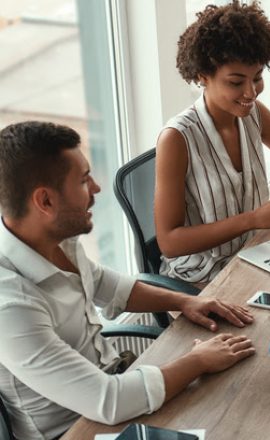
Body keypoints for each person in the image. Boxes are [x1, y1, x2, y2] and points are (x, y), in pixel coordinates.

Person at [0, 121, 256, 440]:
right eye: (83, 181)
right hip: (76, 428)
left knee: (245, 405)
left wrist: (186, 301)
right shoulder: (10, 307)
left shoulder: (55, 239)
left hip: (115, 386)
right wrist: (198, 361)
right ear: (45, 202)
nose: (95, 188)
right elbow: (109, 401)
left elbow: (111, 286)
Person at [156, 1, 270, 283]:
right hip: (202, 278)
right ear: (203, 76)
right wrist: (253, 219)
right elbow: (169, 242)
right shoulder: (177, 138)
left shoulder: (254, 115)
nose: (251, 93)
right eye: (236, 82)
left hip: (254, 255)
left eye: (258, 78)